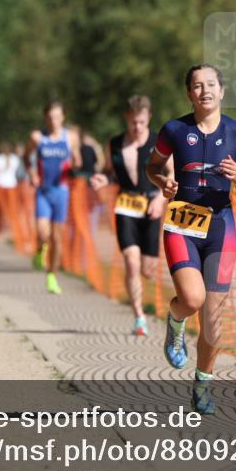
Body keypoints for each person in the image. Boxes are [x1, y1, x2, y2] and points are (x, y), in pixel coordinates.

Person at [146, 64, 236, 415]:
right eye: (197, 85)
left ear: (222, 91)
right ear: (189, 94)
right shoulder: (174, 129)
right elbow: (153, 166)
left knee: (213, 317)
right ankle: (176, 321)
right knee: (192, 298)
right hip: (182, 223)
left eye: (211, 84)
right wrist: (162, 183)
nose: (204, 90)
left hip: (221, 227)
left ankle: (203, 384)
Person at [91, 95, 170, 337]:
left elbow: (172, 174)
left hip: (151, 206)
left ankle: (141, 306)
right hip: (125, 206)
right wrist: (101, 179)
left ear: (149, 119)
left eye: (142, 123)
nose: (137, 128)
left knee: (148, 269)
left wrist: (160, 198)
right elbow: (108, 172)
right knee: (132, 263)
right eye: (133, 122)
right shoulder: (114, 144)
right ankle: (139, 317)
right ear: (127, 118)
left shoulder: (159, 143)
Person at [25, 101, 82, 294]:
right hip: (43, 191)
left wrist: (75, 162)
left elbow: (77, 160)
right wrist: (31, 173)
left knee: (57, 237)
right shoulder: (37, 137)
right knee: (43, 233)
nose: (53, 121)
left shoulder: (70, 137)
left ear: (63, 117)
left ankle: (52, 275)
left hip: (61, 191)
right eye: (50, 117)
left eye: (57, 117)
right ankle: (40, 250)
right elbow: (26, 157)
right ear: (45, 118)